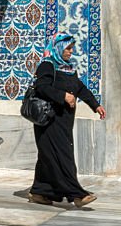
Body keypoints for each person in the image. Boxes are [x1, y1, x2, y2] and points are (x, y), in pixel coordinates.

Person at [28, 33, 106, 207]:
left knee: (48, 156)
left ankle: (40, 191)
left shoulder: (68, 68)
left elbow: (80, 88)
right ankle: (76, 194)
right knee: (63, 157)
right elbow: (41, 87)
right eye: (68, 48)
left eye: (71, 48)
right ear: (57, 48)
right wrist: (62, 96)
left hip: (64, 121)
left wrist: (95, 105)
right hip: (49, 121)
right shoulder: (47, 66)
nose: (71, 52)